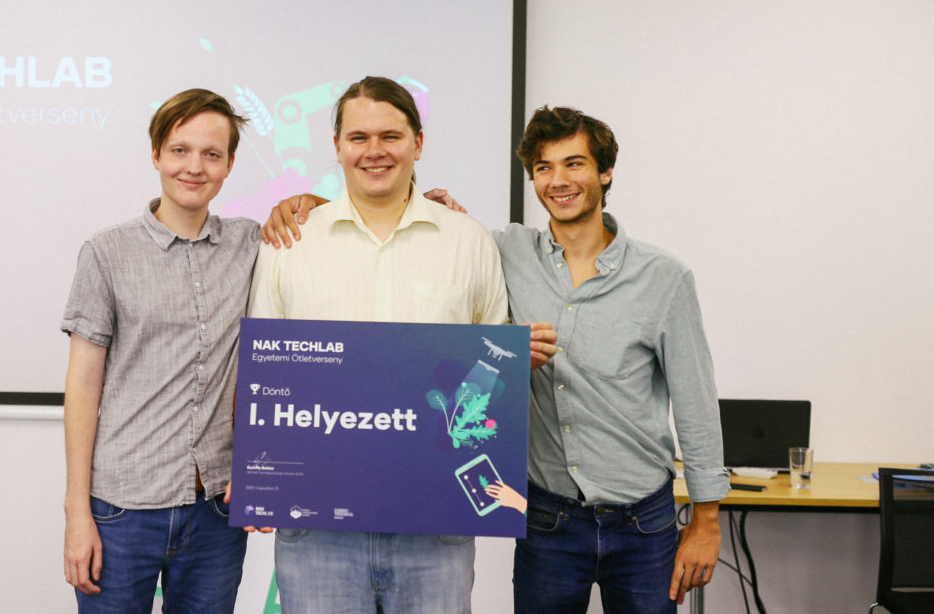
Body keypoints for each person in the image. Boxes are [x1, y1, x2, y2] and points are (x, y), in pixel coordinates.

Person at [265, 105, 728, 612]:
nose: (559, 180)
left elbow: (696, 404)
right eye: (544, 168)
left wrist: (706, 521)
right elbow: (391, 213)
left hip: (645, 520)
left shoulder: (664, 277)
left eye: (575, 164)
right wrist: (320, 206)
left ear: (606, 171)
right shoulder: (502, 249)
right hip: (547, 519)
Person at [248, 75, 556, 614]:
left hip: (435, 526)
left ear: (419, 142)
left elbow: (492, 375)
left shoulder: (468, 241)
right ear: (337, 147)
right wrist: (261, 480)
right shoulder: (290, 242)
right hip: (318, 530)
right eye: (358, 137)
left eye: (390, 136)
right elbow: (265, 376)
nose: (375, 151)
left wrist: (513, 358)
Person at [60, 88, 257, 613]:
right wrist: (76, 512)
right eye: (179, 150)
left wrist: (424, 200)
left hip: (215, 513)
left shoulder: (251, 245)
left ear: (229, 165)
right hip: (121, 509)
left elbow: (325, 224)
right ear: (155, 154)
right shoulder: (106, 252)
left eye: (211, 154)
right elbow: (82, 384)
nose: (194, 167)